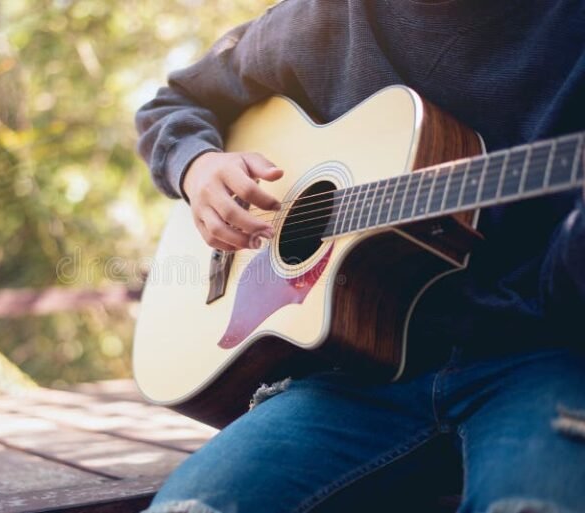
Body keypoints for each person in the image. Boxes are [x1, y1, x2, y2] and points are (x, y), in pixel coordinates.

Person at [134, 1, 585, 511]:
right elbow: (174, 101)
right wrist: (197, 166)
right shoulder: (325, 16)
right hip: (350, 379)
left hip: (541, 358)